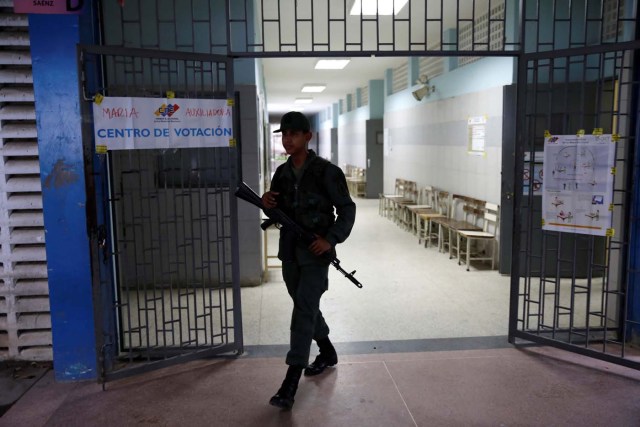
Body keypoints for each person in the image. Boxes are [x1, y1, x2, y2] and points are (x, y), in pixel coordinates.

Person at [262, 111, 356, 410]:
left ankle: (291, 379)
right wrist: (267, 203)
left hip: (316, 252)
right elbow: (275, 212)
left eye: (294, 134)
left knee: (304, 307)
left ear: (308, 137)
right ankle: (326, 350)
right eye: (284, 135)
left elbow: (347, 209)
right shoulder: (281, 173)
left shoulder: (326, 172)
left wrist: (330, 239)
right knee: (305, 304)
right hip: (289, 252)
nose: (287, 140)